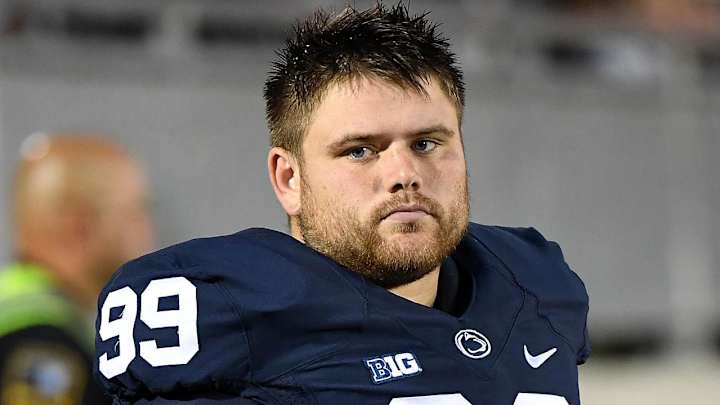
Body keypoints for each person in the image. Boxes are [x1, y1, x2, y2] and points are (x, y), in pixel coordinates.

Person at [94, 4, 590, 405]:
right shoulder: (226, 310)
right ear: (289, 178)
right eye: (360, 151)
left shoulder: (537, 282)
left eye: (427, 143)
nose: (404, 174)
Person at [0, 133, 154, 405]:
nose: (147, 231)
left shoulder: (14, 308)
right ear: (81, 227)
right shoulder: (46, 343)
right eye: (136, 210)